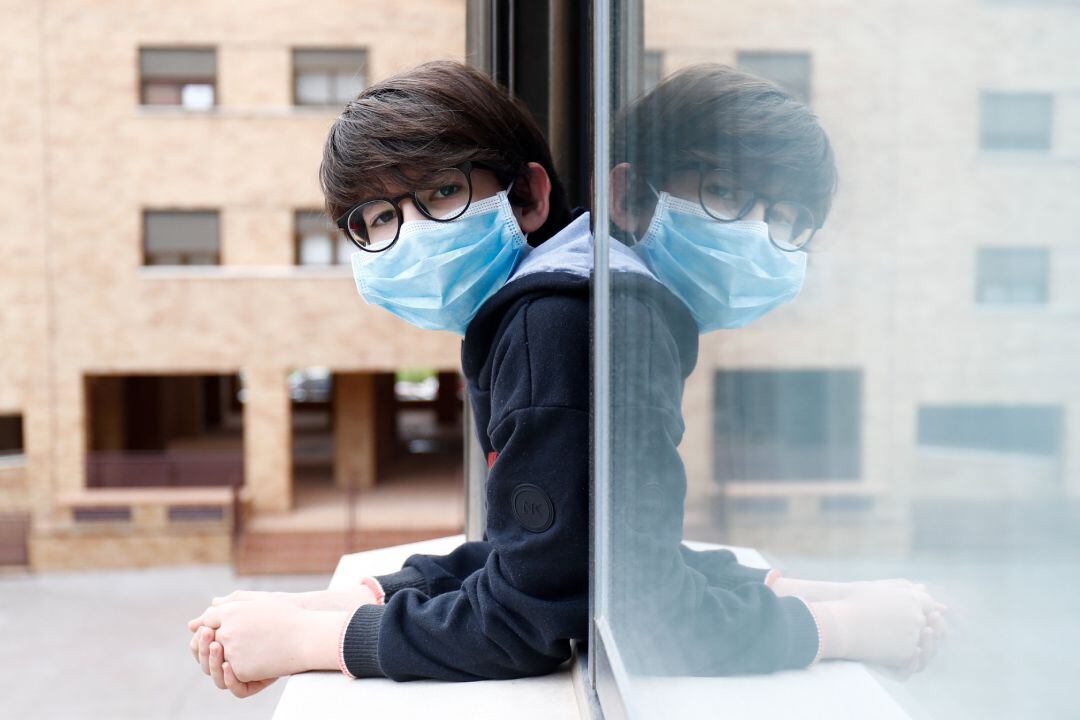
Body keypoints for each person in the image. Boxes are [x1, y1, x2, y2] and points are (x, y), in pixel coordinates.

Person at [186, 59, 945, 695]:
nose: (409, 235)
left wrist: (317, 641)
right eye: (377, 218)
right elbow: (572, 556)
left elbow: (550, 619)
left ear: (532, 196)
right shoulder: (585, 307)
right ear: (624, 197)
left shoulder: (559, 323)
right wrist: (367, 594)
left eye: (443, 194)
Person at [604, 62, 948, 677]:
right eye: (729, 193)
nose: (759, 236)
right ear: (629, 197)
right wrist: (842, 627)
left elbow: (608, 557)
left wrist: (803, 588)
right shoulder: (621, 327)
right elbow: (638, 613)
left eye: (787, 218)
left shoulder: (614, 301)